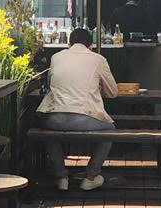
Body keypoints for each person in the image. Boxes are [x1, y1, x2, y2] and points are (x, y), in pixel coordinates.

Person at [37, 26, 118, 190]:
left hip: (54, 118)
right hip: (85, 117)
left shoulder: (55, 57)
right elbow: (113, 92)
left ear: (69, 44)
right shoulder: (98, 59)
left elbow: (51, 83)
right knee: (110, 131)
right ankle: (90, 176)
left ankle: (61, 177)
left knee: (50, 134)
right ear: (90, 46)